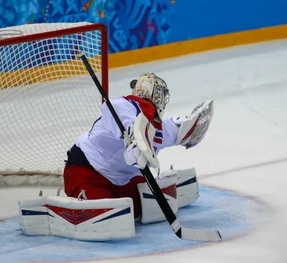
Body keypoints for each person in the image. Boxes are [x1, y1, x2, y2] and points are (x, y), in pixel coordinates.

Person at [64, 72, 213, 220]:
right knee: (111, 217)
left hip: (122, 180)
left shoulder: (159, 127)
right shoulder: (124, 105)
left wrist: (193, 126)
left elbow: (186, 130)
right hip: (86, 173)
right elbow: (112, 108)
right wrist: (133, 133)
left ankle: (163, 183)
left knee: (145, 209)